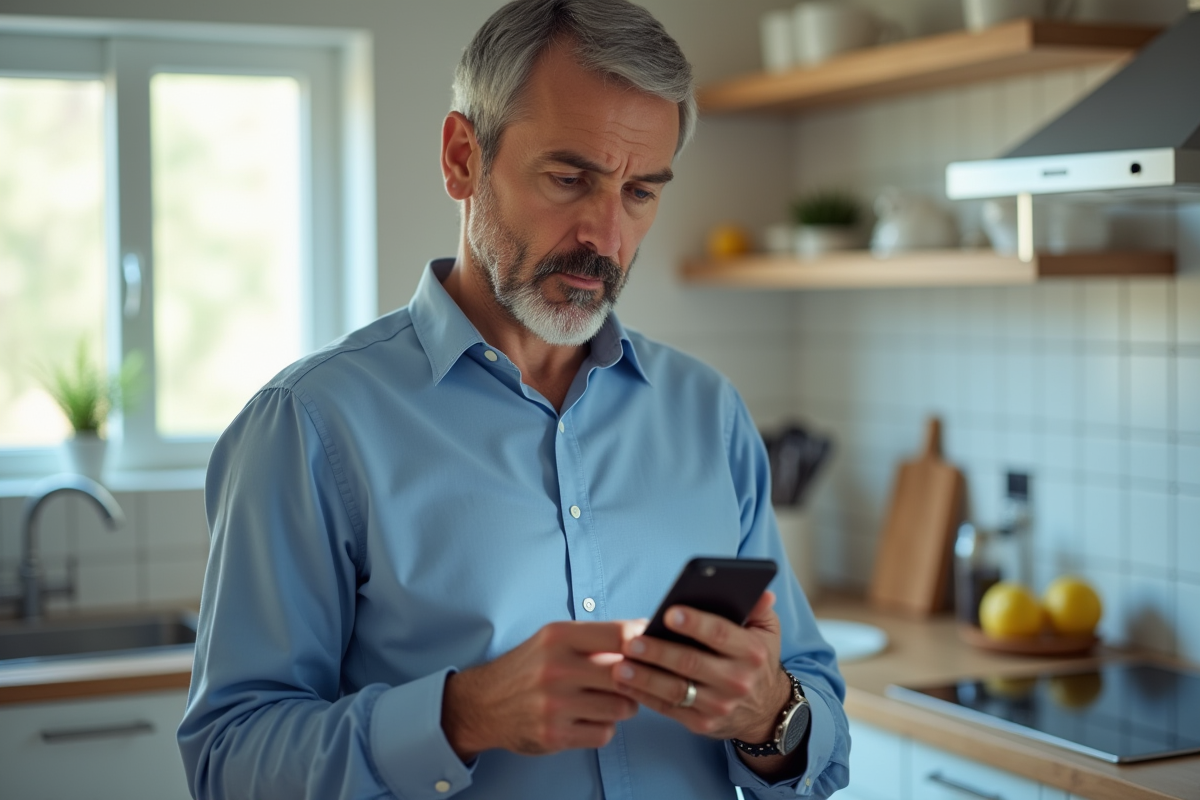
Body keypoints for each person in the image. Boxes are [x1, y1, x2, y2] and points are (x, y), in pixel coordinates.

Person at [177, 1, 850, 798]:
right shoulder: (310, 427)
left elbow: (818, 721)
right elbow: (229, 762)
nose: (606, 236)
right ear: (463, 157)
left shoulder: (708, 414)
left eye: (640, 192)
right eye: (571, 179)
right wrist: (459, 716)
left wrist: (771, 713)